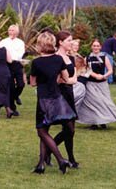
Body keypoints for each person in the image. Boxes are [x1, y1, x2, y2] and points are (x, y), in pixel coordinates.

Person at [30, 31, 76, 174]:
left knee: (42, 131)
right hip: (58, 98)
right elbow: (66, 78)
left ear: (40, 45)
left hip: (44, 100)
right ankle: (40, 165)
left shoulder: (36, 62)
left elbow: (32, 83)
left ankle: (61, 160)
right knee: (64, 127)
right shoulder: (58, 60)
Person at [77, 39, 116, 130]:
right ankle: (94, 123)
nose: (96, 47)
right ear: (91, 47)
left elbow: (110, 70)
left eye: (97, 46)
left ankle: (104, 121)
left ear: (100, 47)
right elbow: (84, 70)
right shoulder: (87, 58)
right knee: (93, 103)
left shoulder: (104, 57)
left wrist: (104, 76)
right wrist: (93, 75)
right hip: (91, 84)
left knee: (104, 103)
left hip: (102, 84)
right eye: (94, 46)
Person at [48, 31, 78, 168]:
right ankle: (49, 150)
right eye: (68, 40)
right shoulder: (55, 58)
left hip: (69, 94)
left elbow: (74, 78)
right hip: (59, 96)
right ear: (60, 42)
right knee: (68, 129)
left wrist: (68, 80)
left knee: (71, 130)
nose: (71, 43)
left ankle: (71, 158)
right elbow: (54, 80)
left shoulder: (70, 58)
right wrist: (65, 80)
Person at [0, 25, 25, 116]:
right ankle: (12, 108)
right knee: (11, 86)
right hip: (7, 65)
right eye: (9, 30)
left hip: (17, 64)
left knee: (21, 84)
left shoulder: (20, 42)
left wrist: (10, 54)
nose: (10, 32)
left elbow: (20, 55)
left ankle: (15, 96)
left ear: (16, 32)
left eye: (12, 30)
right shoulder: (3, 42)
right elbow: (2, 53)